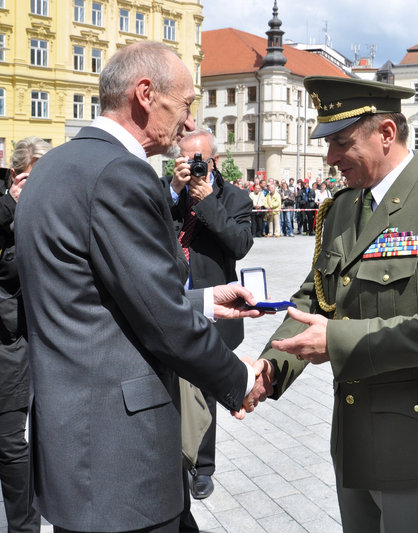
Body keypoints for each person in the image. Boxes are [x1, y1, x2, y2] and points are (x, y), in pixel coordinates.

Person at [15, 41, 270, 533]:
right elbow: (161, 321)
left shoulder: (53, 168)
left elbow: (95, 294)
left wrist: (203, 301)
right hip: (121, 461)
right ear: (146, 94)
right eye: (186, 104)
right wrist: (238, 381)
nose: (190, 122)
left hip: (75, 450)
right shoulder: (119, 173)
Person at [259, 75, 418, 533]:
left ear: (386, 134)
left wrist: (337, 342)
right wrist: (270, 368)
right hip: (354, 430)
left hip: (416, 437)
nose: (330, 158)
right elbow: (315, 296)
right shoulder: (345, 205)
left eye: (342, 143)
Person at [163, 129, 255, 515]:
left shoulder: (235, 198)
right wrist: (173, 189)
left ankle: (203, 466)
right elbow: (152, 227)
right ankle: (173, 460)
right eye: (183, 159)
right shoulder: (167, 191)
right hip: (171, 301)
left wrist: (208, 203)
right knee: (170, 386)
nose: (191, 166)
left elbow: (240, 244)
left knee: (205, 392)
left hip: (213, 306)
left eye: (197, 160)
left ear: (214, 161)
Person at [0, 138, 51, 533]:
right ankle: (24, 527)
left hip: (44, 340)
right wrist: (17, 212)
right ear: (18, 177)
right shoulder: (8, 212)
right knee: (12, 442)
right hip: (10, 343)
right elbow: (10, 272)